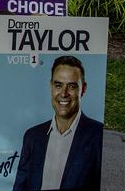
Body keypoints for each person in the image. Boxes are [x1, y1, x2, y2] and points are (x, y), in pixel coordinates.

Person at [13, 55, 103, 191]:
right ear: (51, 87)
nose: (64, 93)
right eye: (58, 85)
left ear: (83, 89)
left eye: (72, 86)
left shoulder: (98, 136)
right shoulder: (32, 136)